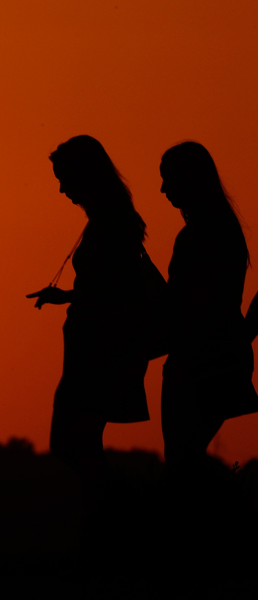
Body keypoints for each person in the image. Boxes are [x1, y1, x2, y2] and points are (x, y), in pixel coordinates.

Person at [27, 135, 150, 520]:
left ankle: (121, 515)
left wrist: (75, 299)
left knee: (71, 443)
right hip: (93, 351)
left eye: (65, 178)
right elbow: (104, 286)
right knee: (80, 443)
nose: (62, 188)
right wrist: (67, 297)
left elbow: (111, 290)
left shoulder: (112, 224)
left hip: (98, 354)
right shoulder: (110, 220)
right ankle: (111, 520)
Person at [158, 142, 258, 472]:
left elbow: (188, 305)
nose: (162, 190)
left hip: (200, 362)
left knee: (181, 461)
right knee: (185, 459)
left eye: (168, 179)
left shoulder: (200, 235)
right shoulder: (222, 229)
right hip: (218, 357)